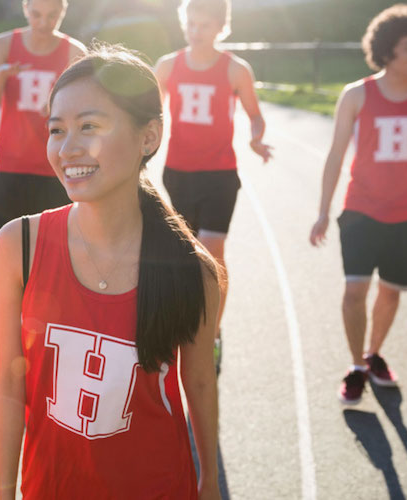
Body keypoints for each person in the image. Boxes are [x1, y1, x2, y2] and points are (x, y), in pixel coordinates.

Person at [0, 45, 224, 499]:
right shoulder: (19, 244)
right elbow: (8, 380)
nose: (67, 148)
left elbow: (198, 381)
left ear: (148, 137)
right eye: (56, 130)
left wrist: (210, 482)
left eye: (90, 127)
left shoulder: (192, 270)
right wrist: (4, 492)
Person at [308, 4, 407, 405]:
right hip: (360, 209)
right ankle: (356, 366)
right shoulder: (357, 95)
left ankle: (374, 354)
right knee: (355, 290)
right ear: (388, 49)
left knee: (390, 293)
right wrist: (323, 210)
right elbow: (336, 155)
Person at [153, 0, 273, 372]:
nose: (196, 30)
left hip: (220, 175)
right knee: (185, 256)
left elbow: (255, 116)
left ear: (221, 27)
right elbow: (151, 114)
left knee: (213, 252)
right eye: (191, 23)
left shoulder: (236, 69)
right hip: (178, 173)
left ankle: (213, 332)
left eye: (204, 24)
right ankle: (183, 325)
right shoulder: (168, 66)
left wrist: (256, 138)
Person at [0, 0, 86, 234]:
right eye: (36, 14)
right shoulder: (4, 44)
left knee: (55, 252)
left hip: (57, 167)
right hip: (11, 165)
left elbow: (85, 111)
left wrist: (58, 107)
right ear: (25, 9)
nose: (43, 23)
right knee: (10, 250)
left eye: (52, 16)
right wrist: (1, 77)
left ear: (63, 12)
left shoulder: (75, 51)